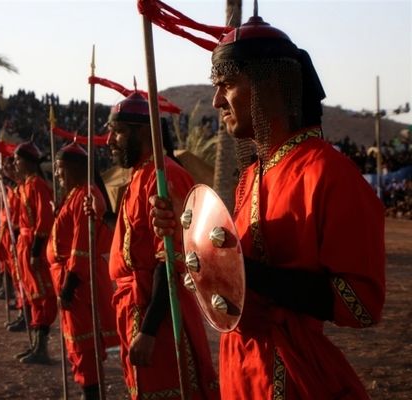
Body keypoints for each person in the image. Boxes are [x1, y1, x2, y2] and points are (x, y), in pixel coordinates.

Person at [150, 11, 386, 400]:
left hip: (293, 375)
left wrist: (243, 272)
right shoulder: (250, 177)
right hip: (239, 369)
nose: (215, 100)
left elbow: (360, 304)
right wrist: (186, 240)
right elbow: (232, 278)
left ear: (268, 84)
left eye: (226, 84)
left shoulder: (327, 171)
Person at [105, 92, 219, 399]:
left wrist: (149, 329)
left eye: (118, 132)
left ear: (143, 132)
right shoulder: (138, 177)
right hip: (136, 307)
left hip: (163, 317)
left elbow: (168, 258)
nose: (109, 141)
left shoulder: (163, 176)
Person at [46, 142, 119, 399]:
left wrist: (70, 284)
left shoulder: (87, 195)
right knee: (77, 343)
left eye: (60, 169)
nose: (57, 175)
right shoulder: (76, 194)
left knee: (85, 346)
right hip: (70, 277)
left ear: (75, 168)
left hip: (80, 281)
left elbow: (81, 244)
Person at [13, 141, 57, 364]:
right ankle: (36, 345)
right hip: (25, 243)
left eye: (17, 159)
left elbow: (45, 219)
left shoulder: (38, 185)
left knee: (42, 295)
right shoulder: (25, 185)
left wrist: (36, 248)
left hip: (34, 245)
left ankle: (42, 348)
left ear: (28, 162)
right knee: (32, 293)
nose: (15, 163)